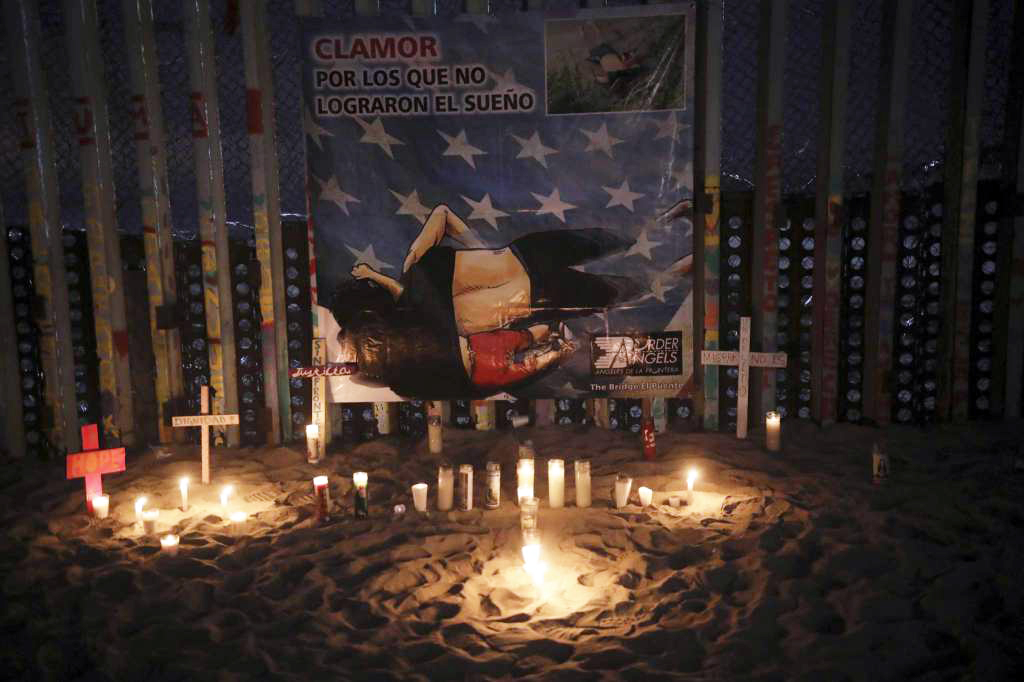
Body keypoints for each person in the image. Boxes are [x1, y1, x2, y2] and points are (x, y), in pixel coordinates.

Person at [326, 203, 645, 397]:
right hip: (525, 254)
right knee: (627, 243)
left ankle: (658, 273)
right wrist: (484, 250)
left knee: (630, 287)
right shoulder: (415, 270)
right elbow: (442, 214)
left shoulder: (427, 328)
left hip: (538, 295)